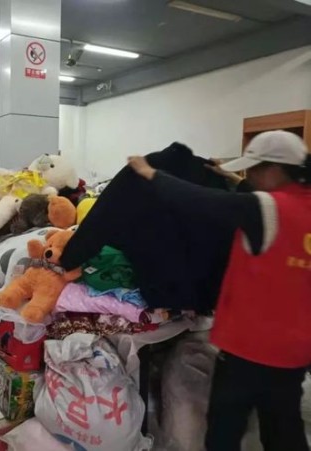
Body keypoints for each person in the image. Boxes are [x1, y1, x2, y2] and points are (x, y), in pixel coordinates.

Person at [128, 130, 311, 451]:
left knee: (223, 431)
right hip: (295, 350)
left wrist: (150, 173)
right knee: (283, 428)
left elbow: (201, 201)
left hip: (250, 348)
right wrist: (230, 177)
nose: (250, 177)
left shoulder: (265, 208)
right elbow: (251, 201)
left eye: (254, 169)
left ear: (275, 169)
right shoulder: (301, 206)